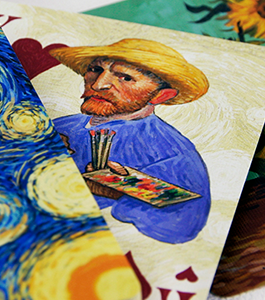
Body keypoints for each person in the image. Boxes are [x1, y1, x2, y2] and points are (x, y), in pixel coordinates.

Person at [51, 39, 210, 244]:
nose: (98, 84)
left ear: (161, 95)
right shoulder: (61, 125)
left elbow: (184, 224)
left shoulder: (172, 152)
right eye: (95, 69)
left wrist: (122, 191)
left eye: (126, 78)